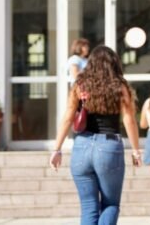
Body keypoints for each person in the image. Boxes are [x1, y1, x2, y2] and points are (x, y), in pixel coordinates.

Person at [49, 45, 143, 225]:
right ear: (114, 64)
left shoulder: (80, 84)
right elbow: (129, 120)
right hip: (109, 148)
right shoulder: (119, 86)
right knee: (111, 204)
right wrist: (136, 150)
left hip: (81, 147)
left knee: (88, 206)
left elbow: (68, 117)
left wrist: (57, 149)